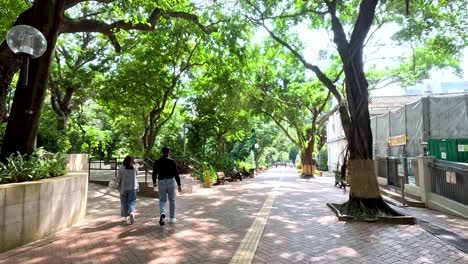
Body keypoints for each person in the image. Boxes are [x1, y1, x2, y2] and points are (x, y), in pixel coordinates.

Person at [152, 146, 182, 226]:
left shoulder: (157, 161)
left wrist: (154, 183)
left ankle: (163, 213)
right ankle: (172, 218)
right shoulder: (172, 161)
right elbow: (176, 174)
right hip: (171, 181)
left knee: (162, 200)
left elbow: (154, 173)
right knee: (172, 200)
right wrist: (179, 185)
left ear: (162, 152)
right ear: (169, 152)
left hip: (161, 181)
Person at [117, 155, 139, 224]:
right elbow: (137, 174)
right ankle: (132, 212)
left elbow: (119, 178)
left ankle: (125, 217)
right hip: (133, 187)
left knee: (124, 202)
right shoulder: (134, 167)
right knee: (132, 201)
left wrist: (116, 184)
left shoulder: (121, 168)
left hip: (123, 187)